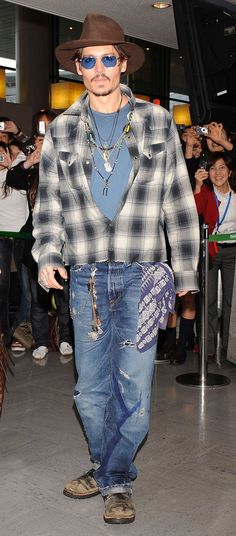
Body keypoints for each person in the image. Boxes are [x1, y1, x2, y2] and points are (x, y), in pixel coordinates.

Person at [32, 13, 200, 525]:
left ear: (123, 64)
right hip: (84, 277)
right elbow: (50, 204)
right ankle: (108, 468)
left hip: (143, 276)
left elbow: (178, 201)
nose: (100, 67)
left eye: (110, 58)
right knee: (89, 391)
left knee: (135, 389)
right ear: (78, 68)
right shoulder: (61, 129)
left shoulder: (157, 123)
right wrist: (46, 254)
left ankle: (116, 479)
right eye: (90, 59)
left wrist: (187, 276)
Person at [6, 112, 73, 360]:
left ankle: (66, 338)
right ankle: (41, 341)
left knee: (64, 294)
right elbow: (13, 178)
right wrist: (31, 159)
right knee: (37, 295)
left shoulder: (66, 154)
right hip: (35, 237)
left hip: (64, 236)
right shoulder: (34, 163)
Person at [194, 152, 236, 359]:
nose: (217, 172)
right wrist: (198, 186)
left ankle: (229, 348)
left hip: (233, 252)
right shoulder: (207, 193)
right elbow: (195, 210)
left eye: (222, 168)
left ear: (229, 172)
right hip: (211, 250)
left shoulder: (235, 196)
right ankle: (208, 349)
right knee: (208, 300)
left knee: (231, 302)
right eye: (212, 168)